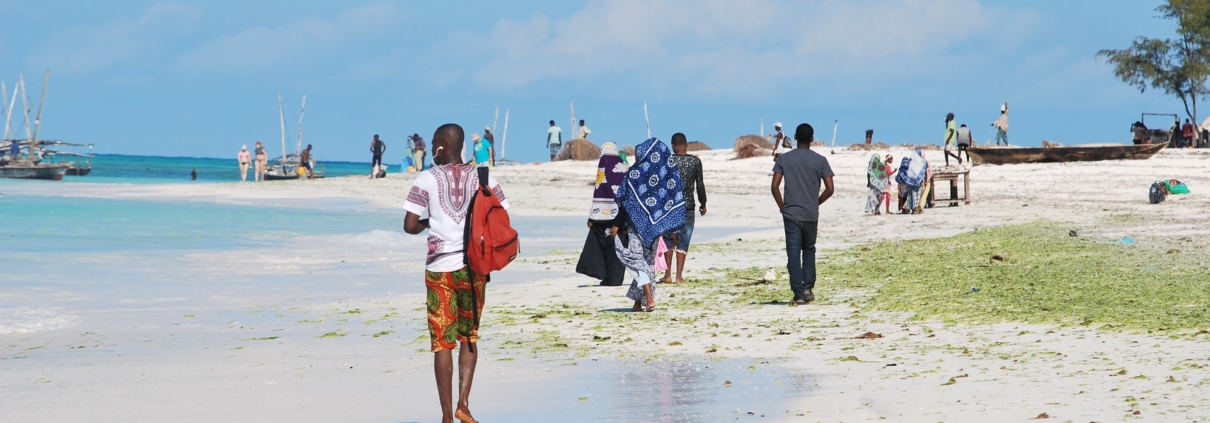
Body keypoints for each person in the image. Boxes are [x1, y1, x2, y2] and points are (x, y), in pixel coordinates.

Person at [403, 123, 508, 423]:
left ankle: (447, 417)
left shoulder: (426, 178)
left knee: (442, 342)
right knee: (469, 336)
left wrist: (431, 223)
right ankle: (464, 403)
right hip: (474, 268)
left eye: (435, 143)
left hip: (439, 270)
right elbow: (500, 215)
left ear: (440, 146)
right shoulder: (484, 176)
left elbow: (410, 225)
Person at [613, 137, 685, 311]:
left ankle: (650, 299)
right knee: (646, 263)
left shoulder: (633, 175)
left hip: (636, 228)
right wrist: (671, 229)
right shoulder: (664, 176)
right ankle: (638, 302)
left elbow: (625, 201)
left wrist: (617, 225)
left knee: (638, 262)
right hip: (654, 231)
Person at [770, 123, 834, 305]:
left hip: (791, 213)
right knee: (809, 250)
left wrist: (782, 207)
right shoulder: (820, 160)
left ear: (795, 138)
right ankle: (807, 288)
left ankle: (798, 294)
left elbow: (774, 186)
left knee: (793, 253)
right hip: (811, 214)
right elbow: (830, 189)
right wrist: (816, 202)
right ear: (812, 139)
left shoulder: (785, 159)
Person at [576, 142, 629, 287]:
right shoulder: (626, 168)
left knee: (603, 246)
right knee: (617, 248)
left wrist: (593, 217)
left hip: (602, 218)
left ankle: (607, 277)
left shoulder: (603, 165)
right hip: (621, 217)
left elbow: (598, 192)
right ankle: (613, 279)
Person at [661, 133, 707, 284]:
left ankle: (667, 275)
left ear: (672, 146)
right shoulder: (695, 162)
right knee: (683, 240)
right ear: (686, 145)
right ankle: (679, 277)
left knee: (668, 240)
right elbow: (699, 184)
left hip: (669, 206)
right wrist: (703, 203)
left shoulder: (666, 161)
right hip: (687, 206)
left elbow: (660, 185)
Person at [896, 148, 929, 214]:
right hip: (919, 181)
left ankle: (914, 208)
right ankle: (916, 208)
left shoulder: (911, 162)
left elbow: (908, 172)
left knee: (912, 194)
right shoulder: (923, 162)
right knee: (918, 194)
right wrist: (925, 180)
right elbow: (925, 171)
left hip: (912, 182)